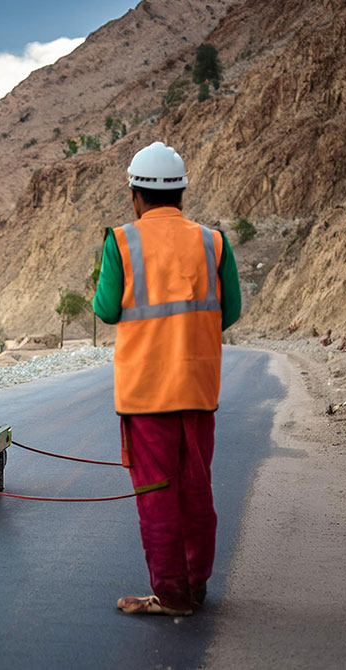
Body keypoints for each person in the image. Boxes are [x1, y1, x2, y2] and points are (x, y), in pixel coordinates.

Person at [92, 141, 242, 616]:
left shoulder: (121, 241)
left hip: (144, 395)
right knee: (196, 490)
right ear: (181, 193)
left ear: (135, 194)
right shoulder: (213, 242)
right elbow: (230, 310)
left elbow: (105, 309)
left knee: (157, 495)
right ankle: (196, 586)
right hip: (198, 391)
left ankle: (173, 595)